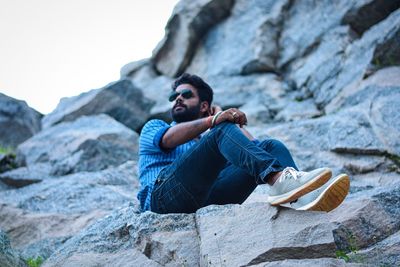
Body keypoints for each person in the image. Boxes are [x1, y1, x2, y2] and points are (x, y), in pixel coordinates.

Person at [137, 73, 349, 214]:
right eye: (174, 96)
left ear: (204, 106)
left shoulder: (214, 138)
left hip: (207, 198)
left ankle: (302, 197)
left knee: (270, 147)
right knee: (220, 134)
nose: (178, 99)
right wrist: (214, 121)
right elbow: (168, 139)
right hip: (162, 200)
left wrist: (222, 118)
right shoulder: (154, 126)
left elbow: (254, 151)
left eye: (185, 94)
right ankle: (279, 180)